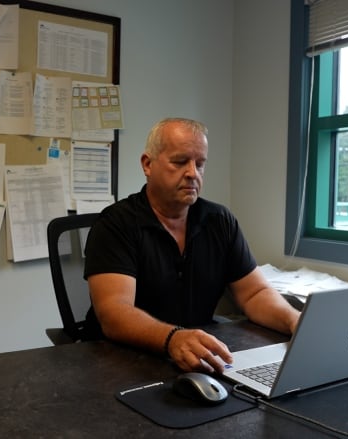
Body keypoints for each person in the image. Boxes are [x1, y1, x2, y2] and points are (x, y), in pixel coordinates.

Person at [83, 117, 301, 374]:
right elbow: (114, 313)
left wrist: (294, 320)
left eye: (200, 164)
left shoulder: (220, 222)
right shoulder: (115, 224)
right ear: (147, 164)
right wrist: (173, 338)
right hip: (120, 361)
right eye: (179, 162)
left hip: (197, 357)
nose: (192, 173)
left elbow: (254, 294)